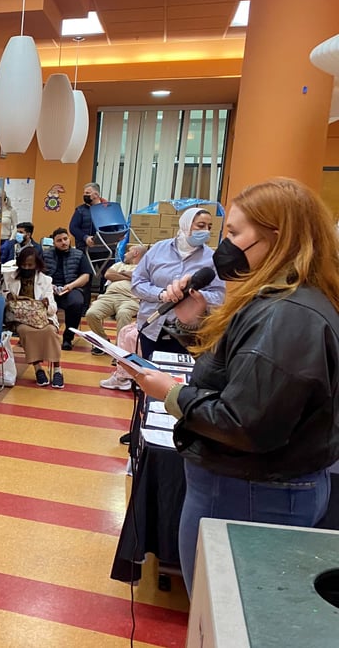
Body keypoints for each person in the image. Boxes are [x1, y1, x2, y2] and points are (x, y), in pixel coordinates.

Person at [133, 177, 339, 597]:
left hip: (250, 489)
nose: (223, 244)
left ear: (275, 237)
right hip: (248, 482)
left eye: (233, 233)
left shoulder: (290, 315)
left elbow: (245, 422)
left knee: (227, 608)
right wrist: (195, 321)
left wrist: (171, 393)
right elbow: (238, 364)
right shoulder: (277, 299)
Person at [131, 207, 225, 359]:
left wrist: (192, 296)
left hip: (188, 332)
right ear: (185, 224)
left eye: (209, 227)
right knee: (150, 374)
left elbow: (219, 295)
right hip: (151, 326)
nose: (206, 231)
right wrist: (162, 294)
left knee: (179, 379)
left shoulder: (211, 258)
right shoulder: (158, 249)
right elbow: (137, 283)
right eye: (201, 226)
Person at [1, 246, 64, 388]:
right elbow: (1, 298)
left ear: (37, 265)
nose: (26, 267)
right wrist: (8, 296)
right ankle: (38, 369)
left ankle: (57, 370)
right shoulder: (9, 278)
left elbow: (53, 309)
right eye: (23, 265)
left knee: (49, 331)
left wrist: (46, 304)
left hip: (42, 318)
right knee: (25, 331)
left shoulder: (46, 280)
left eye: (30, 265)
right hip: (20, 319)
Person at [85, 244, 147, 354]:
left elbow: (137, 275)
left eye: (128, 251)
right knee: (91, 313)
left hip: (130, 299)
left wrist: (123, 275)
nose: (125, 254)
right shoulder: (119, 264)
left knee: (123, 313)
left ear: (135, 253)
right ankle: (103, 342)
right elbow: (108, 274)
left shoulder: (145, 267)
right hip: (109, 296)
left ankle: (120, 349)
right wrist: (128, 276)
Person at [42, 228, 92, 350]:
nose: (63, 242)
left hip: (71, 288)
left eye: (65, 239)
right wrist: (49, 285)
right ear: (53, 243)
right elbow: (38, 273)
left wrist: (71, 286)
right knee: (38, 301)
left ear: (69, 239)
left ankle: (68, 338)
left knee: (77, 303)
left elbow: (86, 276)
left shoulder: (79, 254)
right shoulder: (45, 254)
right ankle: (43, 336)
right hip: (49, 288)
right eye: (59, 240)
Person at [69, 182, 102, 252]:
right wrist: (85, 237)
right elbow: (73, 228)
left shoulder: (106, 209)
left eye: (87, 193)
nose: (84, 195)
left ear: (96, 194)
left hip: (105, 249)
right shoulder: (80, 210)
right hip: (84, 249)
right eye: (84, 193)